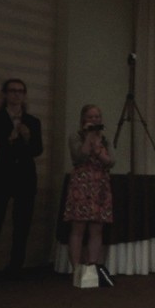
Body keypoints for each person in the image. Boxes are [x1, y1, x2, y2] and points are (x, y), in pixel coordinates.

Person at [0, 79, 44, 278]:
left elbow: (38, 150)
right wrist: (10, 138)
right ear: (4, 94)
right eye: (13, 91)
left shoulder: (32, 121)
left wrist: (27, 137)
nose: (17, 94)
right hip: (1, 175)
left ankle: (16, 266)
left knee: (22, 223)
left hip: (25, 176)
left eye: (20, 91)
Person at [64, 104, 114, 286]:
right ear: (83, 119)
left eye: (97, 117)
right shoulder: (75, 137)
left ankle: (92, 268)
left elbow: (111, 161)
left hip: (100, 185)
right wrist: (88, 138)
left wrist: (99, 148)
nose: (94, 120)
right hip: (82, 184)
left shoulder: (105, 139)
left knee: (96, 228)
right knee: (78, 227)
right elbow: (79, 157)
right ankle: (76, 269)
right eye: (91, 117)